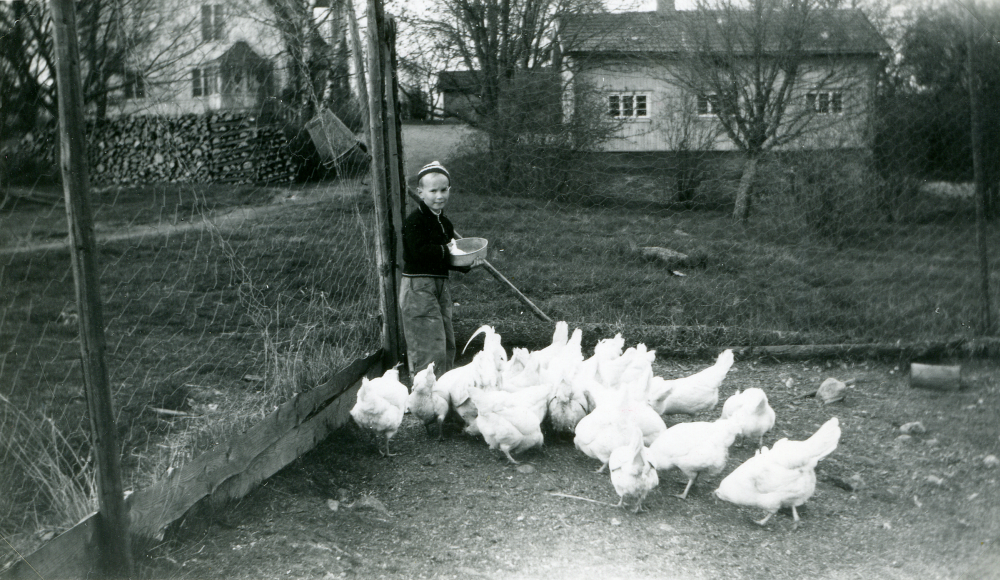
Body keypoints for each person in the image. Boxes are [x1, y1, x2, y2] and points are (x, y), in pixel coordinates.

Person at [400, 160, 485, 378]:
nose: (439, 196)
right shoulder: (414, 222)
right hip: (418, 287)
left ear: (449, 189)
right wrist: (446, 250)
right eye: (433, 191)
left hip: (440, 285)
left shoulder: (444, 223)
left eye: (444, 190)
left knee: (445, 339)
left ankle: (444, 386)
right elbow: (418, 252)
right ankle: (425, 390)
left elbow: (446, 257)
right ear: (420, 192)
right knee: (427, 342)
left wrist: (466, 264)